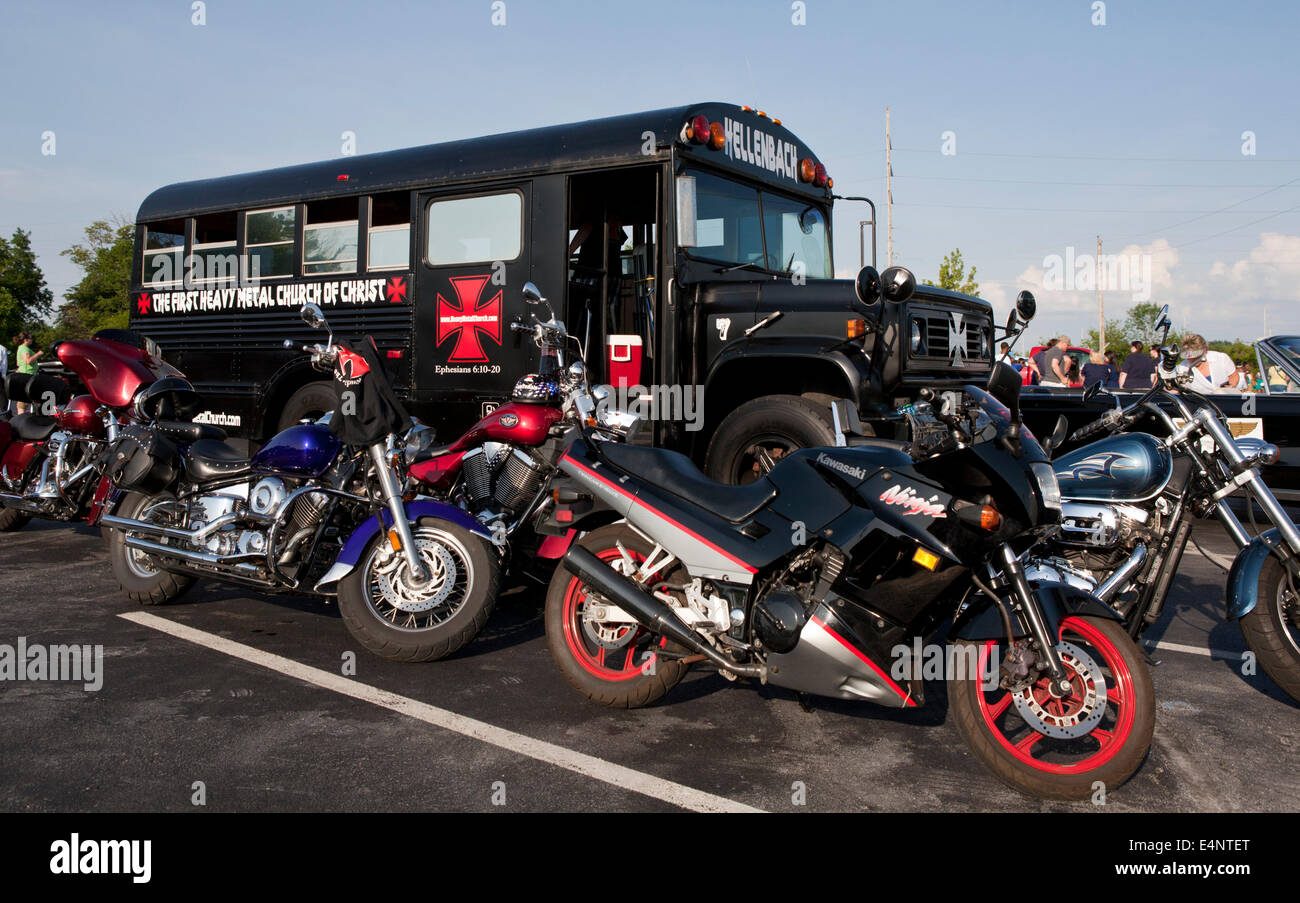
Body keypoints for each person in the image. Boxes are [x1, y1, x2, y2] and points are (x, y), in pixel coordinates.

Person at [13, 332, 44, 414]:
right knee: (25, 398)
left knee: (25, 398)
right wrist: (38, 354)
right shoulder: (24, 348)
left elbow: (18, 363)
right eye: (30, 338)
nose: (32, 340)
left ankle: (22, 416)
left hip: (25, 374)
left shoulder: (21, 348)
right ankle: (22, 417)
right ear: (26, 340)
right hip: (27, 375)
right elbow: (28, 361)